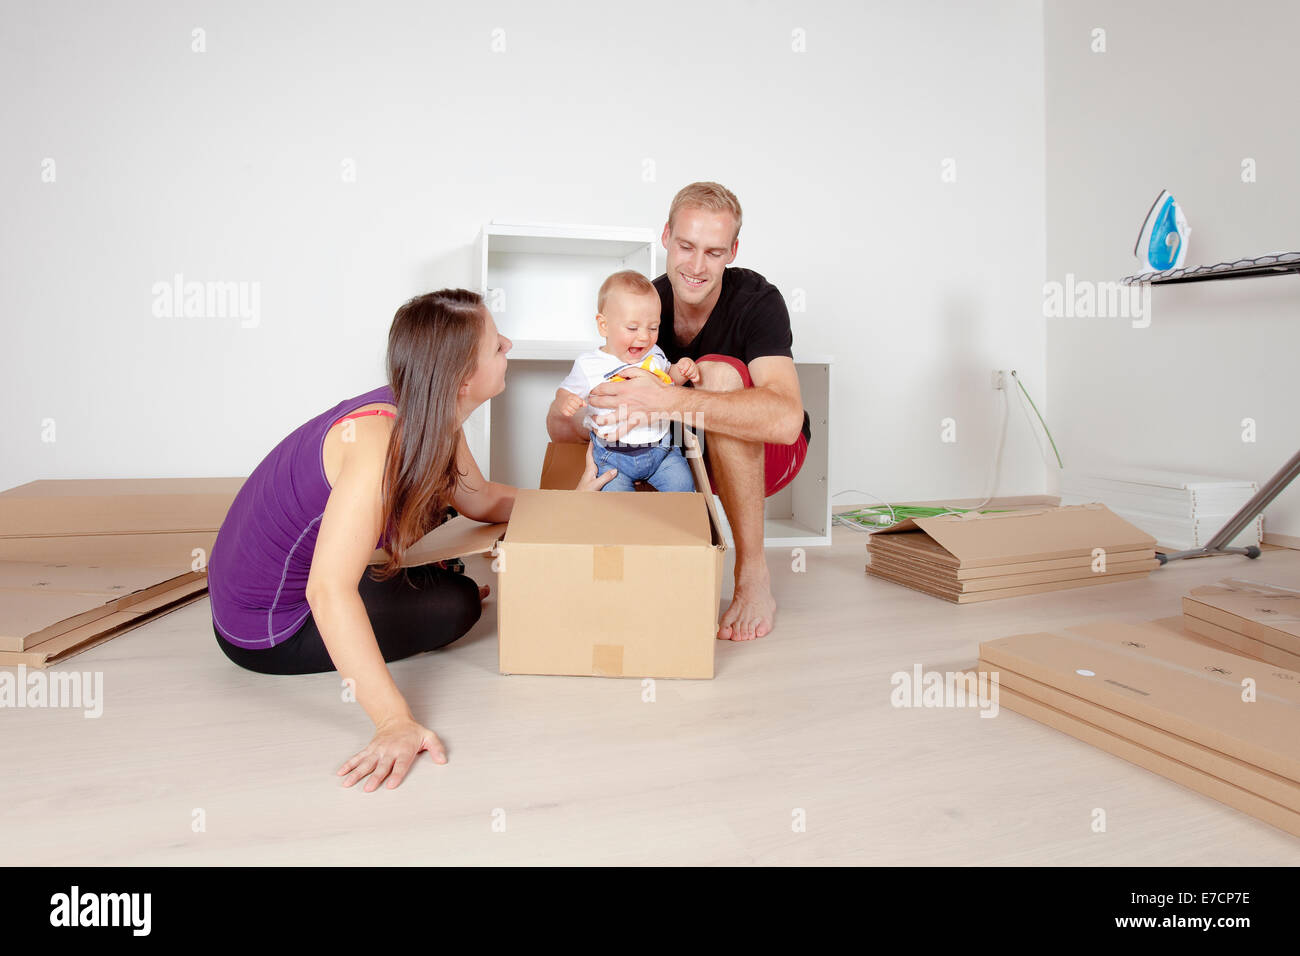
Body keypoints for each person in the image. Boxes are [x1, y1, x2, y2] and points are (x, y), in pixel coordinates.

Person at [207, 289, 617, 792]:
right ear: (464, 377)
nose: (508, 343)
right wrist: (393, 721)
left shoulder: (428, 409)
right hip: (265, 628)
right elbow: (327, 592)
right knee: (457, 603)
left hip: (277, 586)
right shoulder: (379, 446)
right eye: (496, 345)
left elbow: (481, 500)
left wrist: (568, 503)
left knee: (443, 565)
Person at [555, 182, 810, 642]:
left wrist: (665, 399)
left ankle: (752, 575)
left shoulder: (756, 300)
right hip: (681, 458)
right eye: (686, 246)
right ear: (666, 236)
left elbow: (787, 421)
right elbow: (567, 418)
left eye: (713, 252)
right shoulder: (642, 307)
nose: (695, 266)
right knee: (639, 469)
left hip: (768, 454)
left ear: (733, 251)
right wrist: (594, 423)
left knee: (719, 374)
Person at [549, 270, 700, 493]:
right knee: (616, 504)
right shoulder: (589, 364)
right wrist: (567, 400)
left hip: (661, 451)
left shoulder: (655, 354)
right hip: (612, 458)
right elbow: (563, 391)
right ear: (604, 325)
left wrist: (682, 369)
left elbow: (670, 382)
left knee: (683, 486)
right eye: (632, 328)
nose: (644, 337)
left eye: (653, 327)